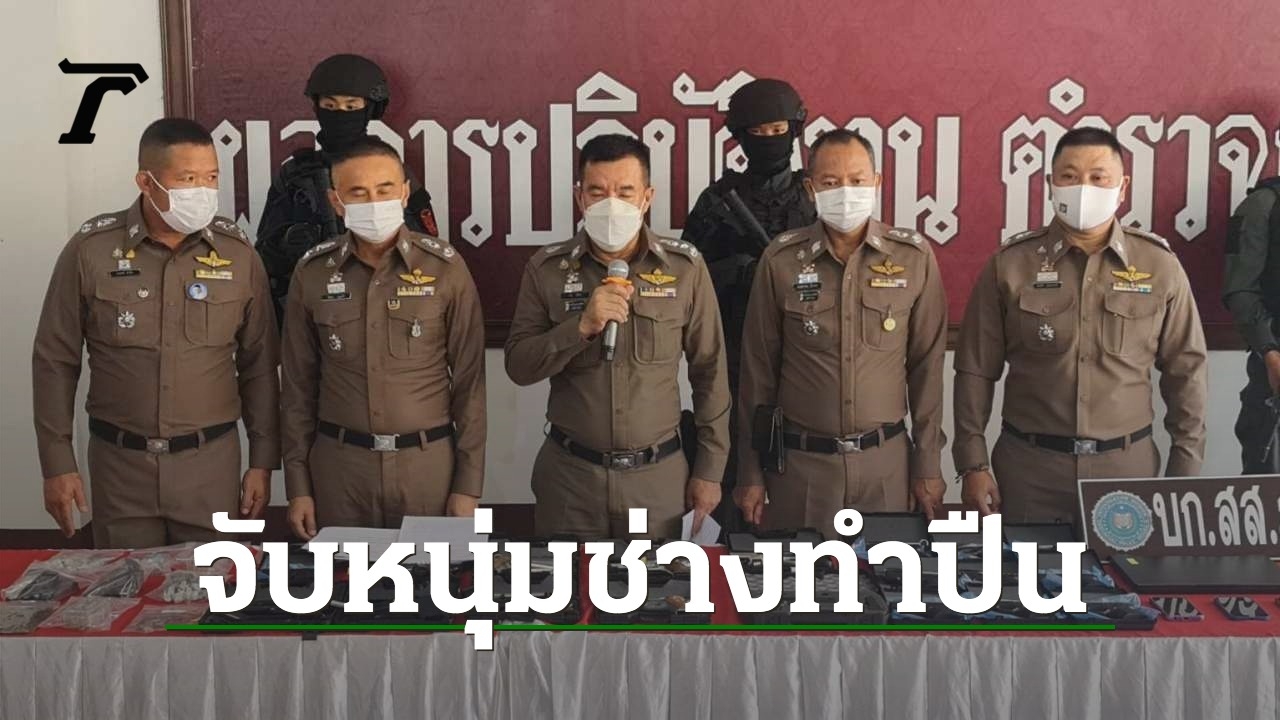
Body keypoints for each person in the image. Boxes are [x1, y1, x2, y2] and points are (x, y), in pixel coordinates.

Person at [33, 118, 279, 548]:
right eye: (187, 179)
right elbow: (55, 360)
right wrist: (57, 463)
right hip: (120, 469)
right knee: (125, 584)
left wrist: (262, 461)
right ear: (146, 182)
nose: (202, 191)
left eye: (211, 178)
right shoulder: (91, 250)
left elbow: (259, 364)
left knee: (211, 585)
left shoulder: (238, 254)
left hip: (210, 467)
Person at [953, 126, 1207, 522]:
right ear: (1051, 184)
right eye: (1070, 176)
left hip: (1126, 470)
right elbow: (975, 369)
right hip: (1029, 472)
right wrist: (973, 463)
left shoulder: (1159, 265)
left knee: (1126, 564)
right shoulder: (1011, 264)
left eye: (1098, 177)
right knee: (1027, 565)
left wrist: (1185, 469)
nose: (1083, 188)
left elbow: (1186, 371)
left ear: (1122, 187)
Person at [505, 134, 731, 540]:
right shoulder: (547, 269)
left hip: (657, 480)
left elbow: (710, 372)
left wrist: (710, 471)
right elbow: (519, 366)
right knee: (568, 581)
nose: (612, 204)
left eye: (625, 192)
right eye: (598, 192)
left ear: (647, 197)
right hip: (571, 479)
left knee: (654, 581)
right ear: (580, 198)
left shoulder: (684, 268)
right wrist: (579, 328)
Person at [735, 129, 947, 538]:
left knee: (887, 576)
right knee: (802, 579)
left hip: (886, 465)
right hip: (801, 469)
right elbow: (757, 375)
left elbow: (928, 370)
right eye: (831, 182)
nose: (845, 192)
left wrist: (928, 464)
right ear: (810, 189)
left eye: (857, 180)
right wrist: (750, 472)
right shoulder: (781, 260)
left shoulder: (913, 258)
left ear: (877, 183)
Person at [280, 137, 485, 539]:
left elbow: (470, 386)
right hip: (340, 473)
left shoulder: (445, 268)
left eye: (385, 189)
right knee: (343, 581)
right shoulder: (313, 272)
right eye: (358, 193)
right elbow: (298, 388)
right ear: (337, 201)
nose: (373, 202)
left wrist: (468, 486)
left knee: (429, 580)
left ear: (405, 192)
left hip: (427, 470)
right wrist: (298, 487)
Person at [682, 78, 817, 529]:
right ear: (740, 137)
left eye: (777, 130)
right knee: (732, 482)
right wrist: (741, 270)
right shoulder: (717, 202)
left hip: (806, 355)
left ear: (795, 130)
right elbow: (686, 283)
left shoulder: (814, 197)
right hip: (734, 359)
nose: (768, 141)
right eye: (757, 133)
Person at [255, 53, 437, 329]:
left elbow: (425, 250)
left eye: (351, 106)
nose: (340, 114)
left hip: (384, 310)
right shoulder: (295, 174)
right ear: (317, 107)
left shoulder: (390, 172)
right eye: (330, 105)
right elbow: (263, 256)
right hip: (314, 313)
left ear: (369, 109)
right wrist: (287, 244)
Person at [1224, 176, 1280, 473]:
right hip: (1274, 377)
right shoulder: (1263, 204)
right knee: (1268, 491)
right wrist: (1270, 353)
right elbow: (1241, 289)